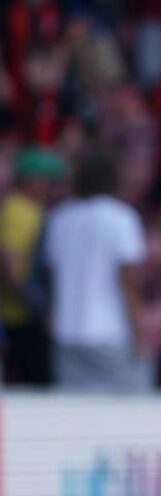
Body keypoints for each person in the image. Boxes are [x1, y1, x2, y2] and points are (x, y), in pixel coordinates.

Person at [44, 148, 151, 392]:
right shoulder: (122, 218)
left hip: (67, 332)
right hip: (110, 333)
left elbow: (53, 275)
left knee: (76, 417)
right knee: (129, 414)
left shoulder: (59, 218)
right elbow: (128, 282)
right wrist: (139, 335)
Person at [0, 146, 67, 385]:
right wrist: (36, 305)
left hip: (27, 314)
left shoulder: (32, 209)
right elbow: (9, 265)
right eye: (47, 180)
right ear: (30, 179)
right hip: (20, 317)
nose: (51, 186)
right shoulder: (17, 209)